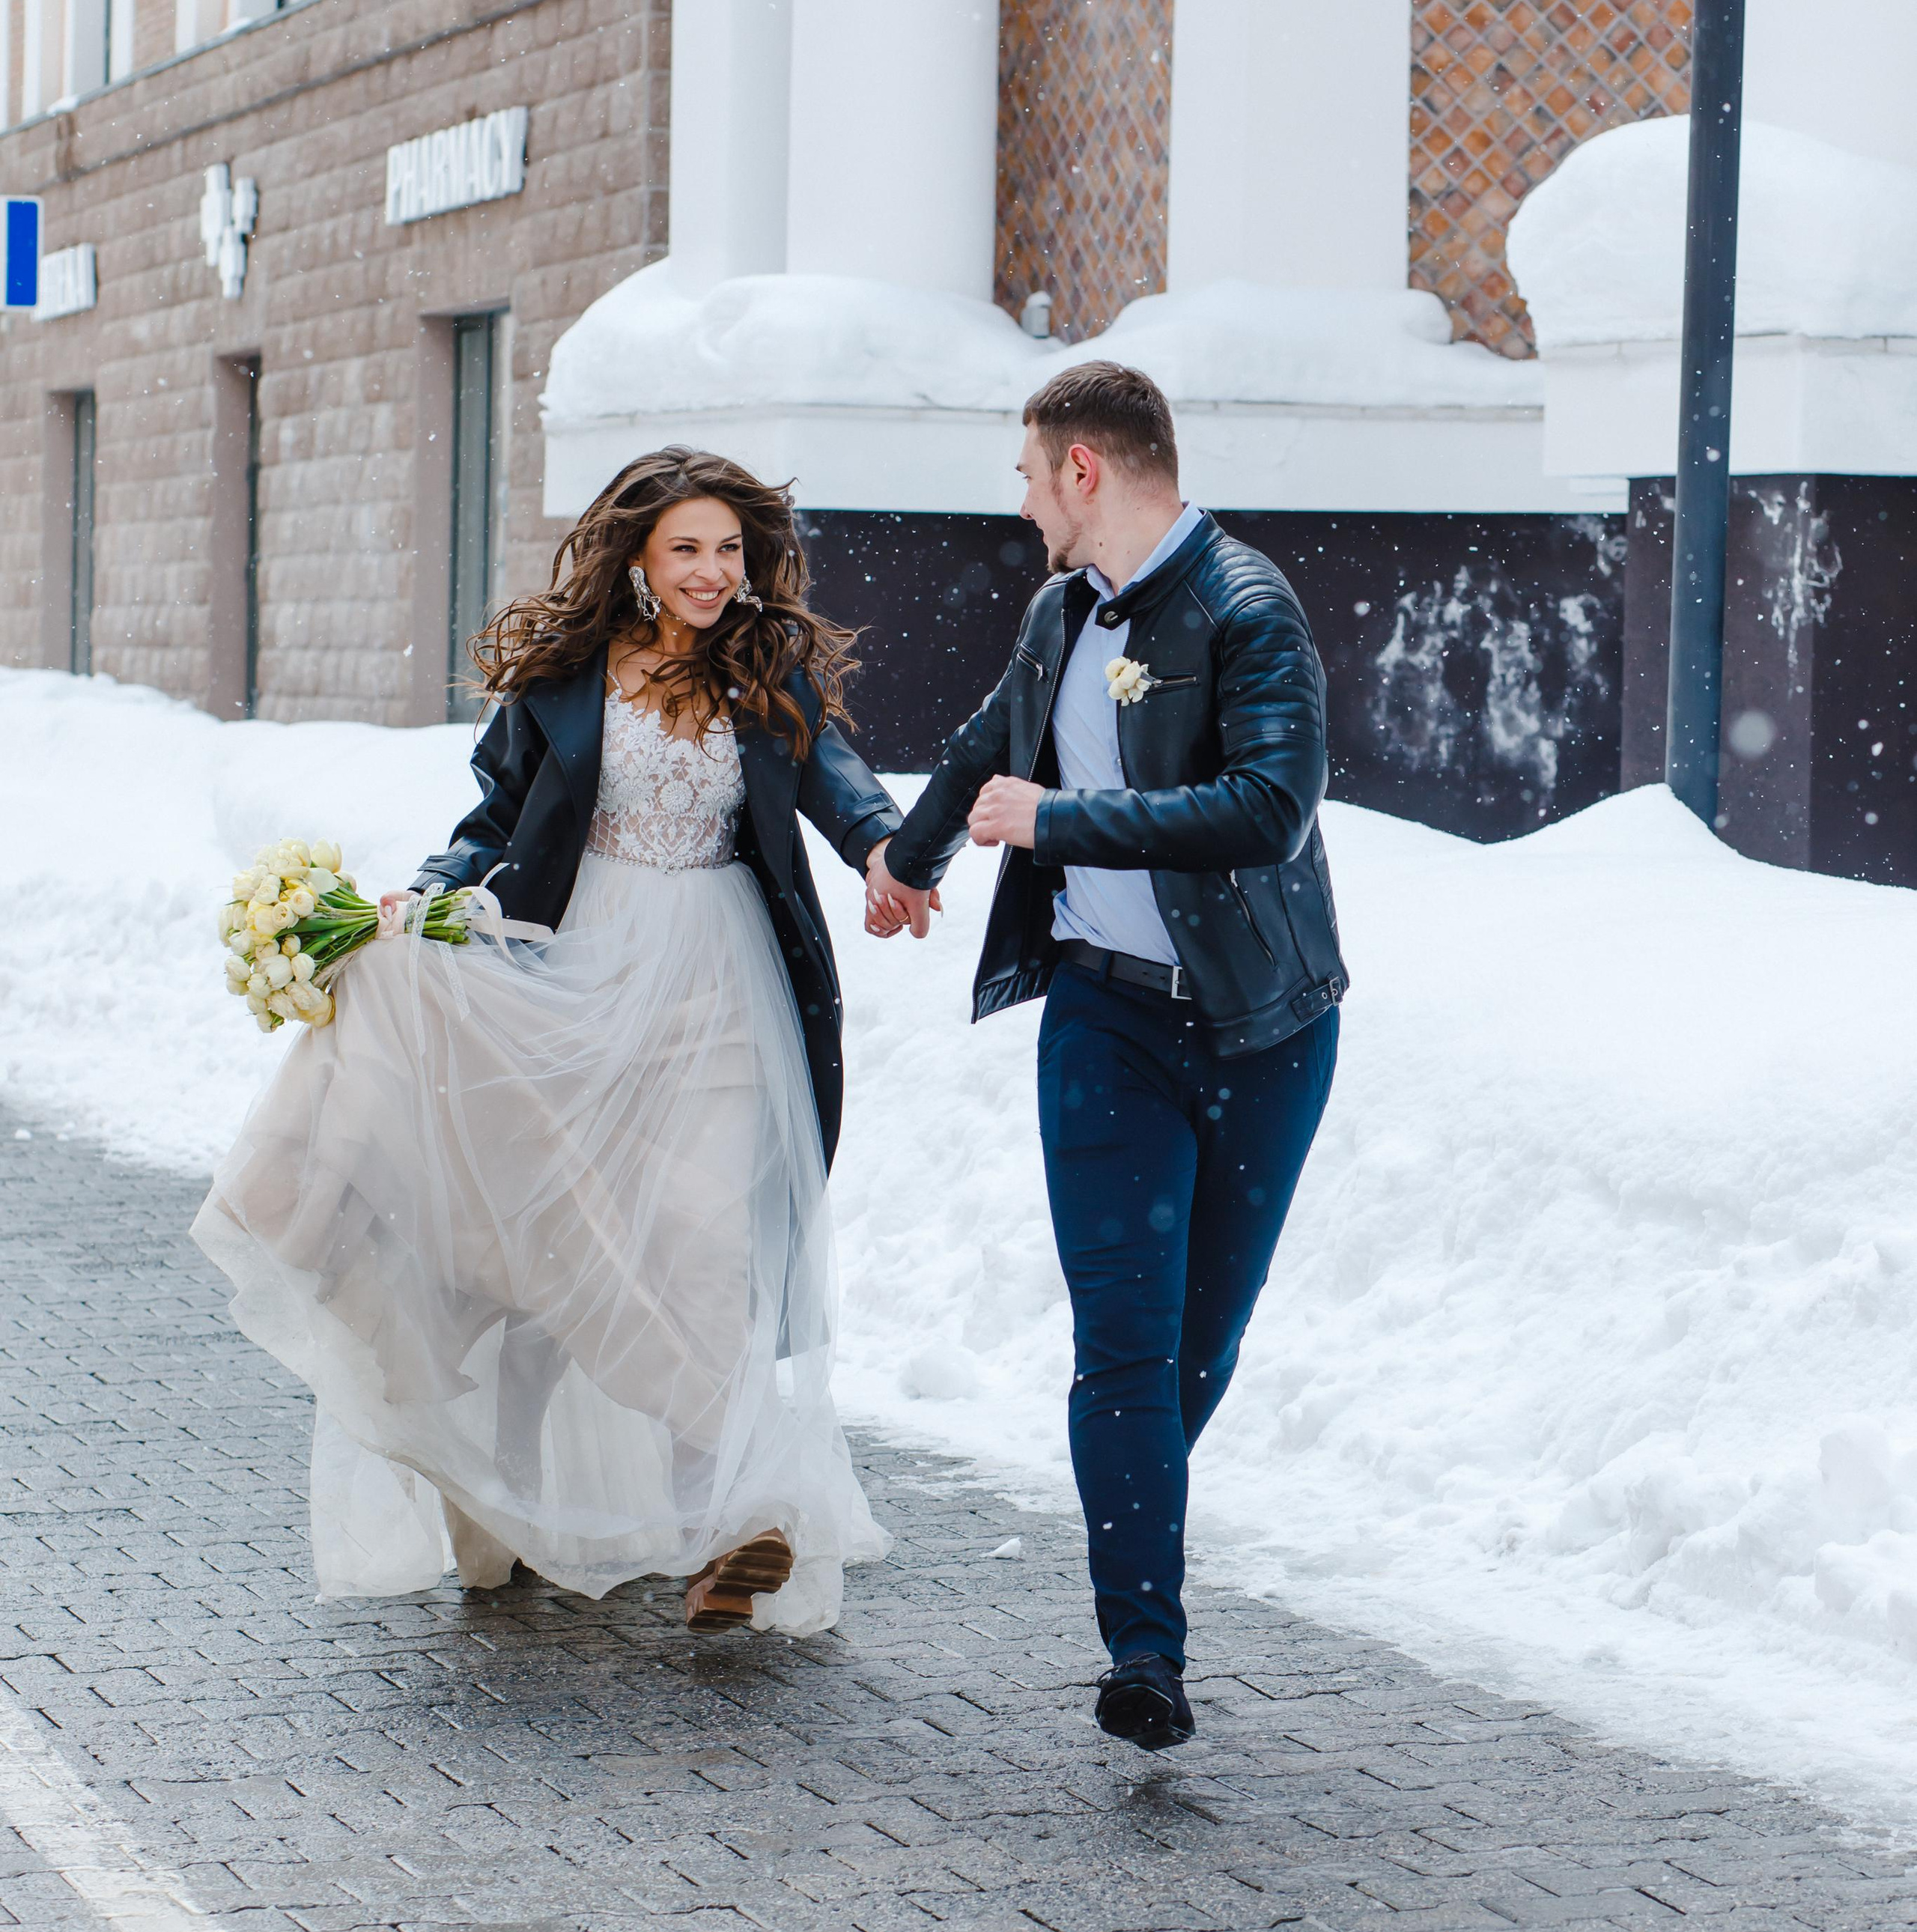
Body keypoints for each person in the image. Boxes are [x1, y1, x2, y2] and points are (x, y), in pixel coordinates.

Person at [193, 449, 933, 1634]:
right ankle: (505, 1497)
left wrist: (886, 853)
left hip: (719, 986)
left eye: (729, 550)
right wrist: (416, 905)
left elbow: (841, 784)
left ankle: (728, 1529)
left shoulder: (765, 667)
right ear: (638, 555)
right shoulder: (565, 678)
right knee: (551, 1260)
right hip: (574, 974)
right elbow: (490, 821)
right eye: (686, 548)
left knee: (700, 1250)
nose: (711, 571)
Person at [872, 362, 1346, 1752]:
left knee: (1200, 1341)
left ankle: (1130, 1504)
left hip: (1265, 1028)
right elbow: (988, 744)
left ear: (1085, 469)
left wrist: (1064, 821)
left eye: (1028, 477)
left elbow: (1271, 809)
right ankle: (1146, 1655)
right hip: (1105, 1023)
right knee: (1125, 1343)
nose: (1020, 507)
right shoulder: (1058, 610)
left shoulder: (1250, 610)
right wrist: (908, 857)